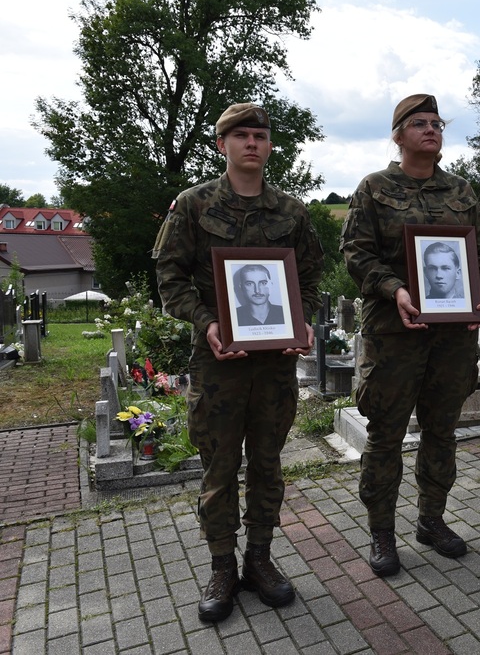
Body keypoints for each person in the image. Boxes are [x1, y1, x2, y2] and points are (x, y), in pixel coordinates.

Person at [154, 102, 323, 622]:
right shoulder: (194, 205)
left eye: (260, 135)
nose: (252, 142)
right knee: (220, 469)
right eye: (241, 135)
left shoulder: (292, 212)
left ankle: (261, 560)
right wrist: (207, 321)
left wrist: (305, 320)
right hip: (218, 364)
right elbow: (169, 276)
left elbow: (310, 277)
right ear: (222, 144)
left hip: (274, 367)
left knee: (268, 465)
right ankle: (223, 565)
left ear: (270, 146)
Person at [341, 94, 480, 576]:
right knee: (386, 435)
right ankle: (382, 532)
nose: (431, 129)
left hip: (452, 340)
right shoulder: (375, 188)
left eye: (437, 123)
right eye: (419, 123)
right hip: (395, 335)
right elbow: (355, 252)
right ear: (398, 135)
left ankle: (431, 519)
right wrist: (395, 289)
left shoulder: (462, 192)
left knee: (442, 432)